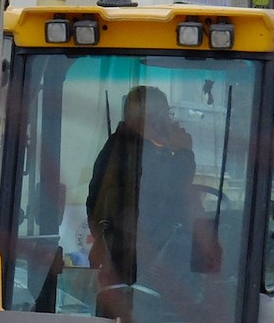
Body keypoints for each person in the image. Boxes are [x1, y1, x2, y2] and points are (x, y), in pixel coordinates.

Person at [86, 85, 214, 291]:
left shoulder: (122, 148)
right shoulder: (138, 155)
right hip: (146, 267)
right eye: (167, 115)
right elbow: (170, 193)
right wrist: (184, 152)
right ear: (152, 119)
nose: (170, 121)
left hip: (132, 261)